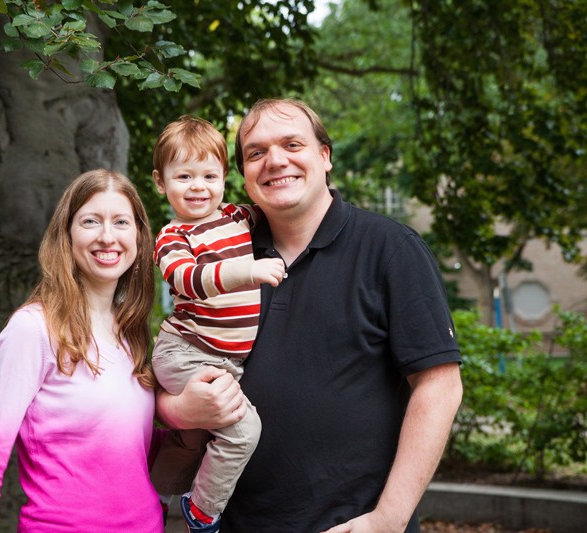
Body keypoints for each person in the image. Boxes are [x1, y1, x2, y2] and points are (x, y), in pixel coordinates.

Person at [157, 98, 463, 533]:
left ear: (324, 156)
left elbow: (440, 386)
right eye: (256, 152)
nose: (275, 161)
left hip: (352, 526)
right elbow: (174, 363)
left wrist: (388, 520)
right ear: (242, 175)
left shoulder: (389, 248)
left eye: (292, 144)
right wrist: (177, 410)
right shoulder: (221, 255)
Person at [0, 169, 163, 532]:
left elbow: (125, 451)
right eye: (90, 221)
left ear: (138, 237)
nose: (107, 236)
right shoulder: (33, 328)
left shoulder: (132, 332)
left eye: (121, 222)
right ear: (66, 235)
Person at [147, 115, 286, 532]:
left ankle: (154, 494)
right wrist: (250, 271)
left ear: (225, 178)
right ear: (160, 182)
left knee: (193, 437)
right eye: (183, 175)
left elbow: (279, 203)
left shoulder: (238, 216)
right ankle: (203, 510)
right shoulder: (173, 236)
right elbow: (186, 279)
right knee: (244, 430)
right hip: (184, 351)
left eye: (209, 175)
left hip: (224, 359)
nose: (197, 186)